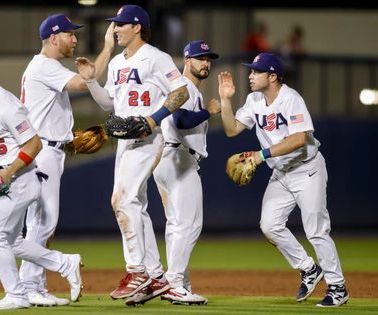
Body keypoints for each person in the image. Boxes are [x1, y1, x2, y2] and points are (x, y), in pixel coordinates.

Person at [0, 48, 82, 310]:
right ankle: (64, 263)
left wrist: (6, 173)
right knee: (11, 241)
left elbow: (34, 144)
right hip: (4, 177)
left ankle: (17, 295)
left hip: (21, 178)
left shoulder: (8, 104)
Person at [75, 4, 189, 304]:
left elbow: (181, 92)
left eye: (121, 24)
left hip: (148, 137)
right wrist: (90, 80)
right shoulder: (115, 63)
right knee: (135, 204)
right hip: (125, 141)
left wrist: (152, 119)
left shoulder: (156, 57)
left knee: (121, 200)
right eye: (114, 24)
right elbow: (107, 104)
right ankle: (155, 275)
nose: (115, 28)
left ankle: (137, 271)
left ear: (137, 26)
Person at [217, 52, 349, 307]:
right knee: (269, 225)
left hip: (307, 170)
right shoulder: (254, 99)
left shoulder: (290, 99)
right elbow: (232, 129)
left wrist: (260, 155)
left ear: (273, 76)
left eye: (256, 71)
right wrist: (225, 101)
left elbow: (300, 138)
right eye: (251, 70)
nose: (251, 75)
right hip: (281, 173)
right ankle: (309, 268)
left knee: (317, 231)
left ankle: (338, 287)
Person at [18, 13, 114, 306]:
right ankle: (32, 286)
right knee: (42, 223)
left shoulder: (45, 67)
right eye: (70, 34)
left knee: (39, 223)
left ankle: (31, 286)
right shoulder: (45, 66)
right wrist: (108, 47)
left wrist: (68, 138)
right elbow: (84, 83)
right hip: (43, 153)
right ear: (53, 37)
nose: (75, 38)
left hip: (49, 149)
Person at [149, 40, 220, 306]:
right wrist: (208, 112)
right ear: (187, 60)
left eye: (208, 59)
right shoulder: (185, 86)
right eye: (200, 58)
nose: (205, 63)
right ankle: (175, 283)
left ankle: (181, 282)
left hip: (168, 159)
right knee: (189, 224)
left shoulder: (184, 86)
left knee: (176, 225)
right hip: (179, 160)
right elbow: (181, 121)